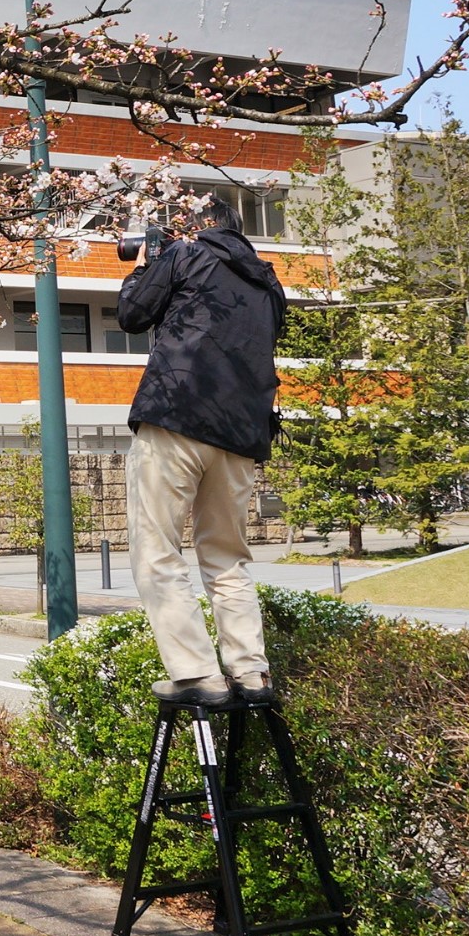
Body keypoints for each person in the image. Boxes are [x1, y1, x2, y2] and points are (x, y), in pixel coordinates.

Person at [115, 194, 288, 709]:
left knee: (157, 549)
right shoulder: (269, 282)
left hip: (177, 416)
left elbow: (131, 314)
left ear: (197, 227)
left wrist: (144, 267)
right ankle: (250, 671)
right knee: (227, 556)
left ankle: (195, 673)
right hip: (241, 435)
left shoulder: (186, 255)